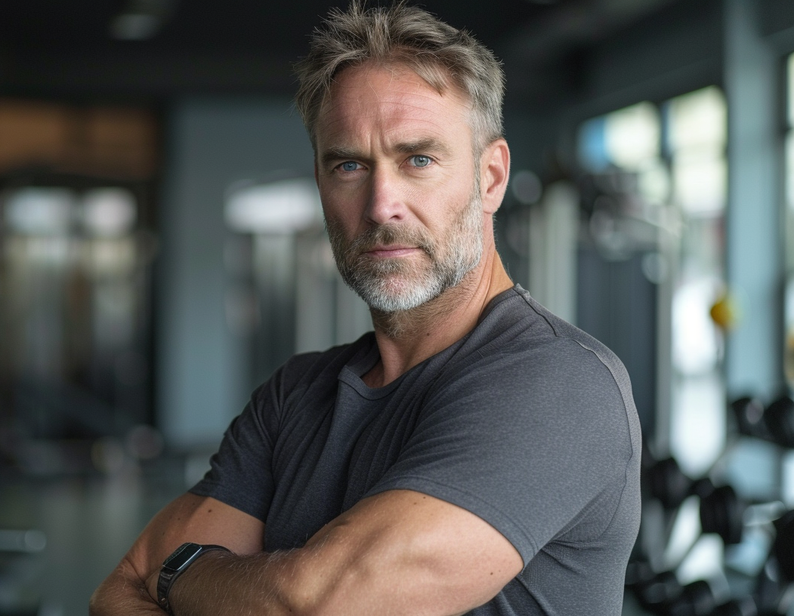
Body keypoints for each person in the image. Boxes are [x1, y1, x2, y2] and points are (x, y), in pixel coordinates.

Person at [90, 2, 641, 614]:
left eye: (419, 160)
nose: (382, 205)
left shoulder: (561, 384)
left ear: (490, 178)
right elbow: (120, 590)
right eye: (350, 165)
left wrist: (180, 575)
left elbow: (321, 603)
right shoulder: (295, 394)